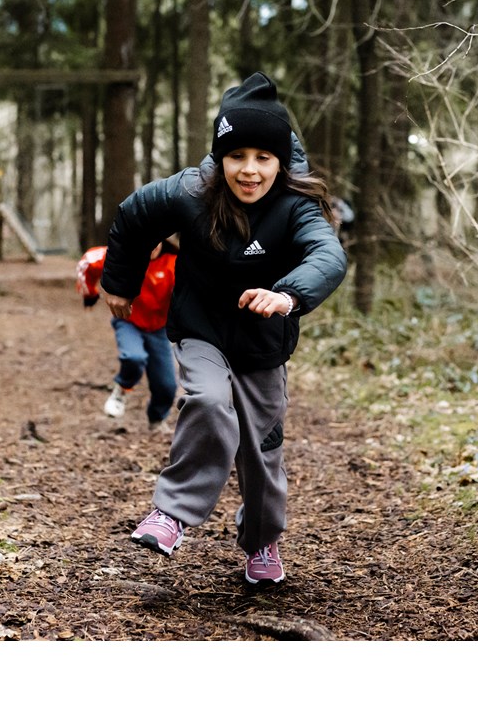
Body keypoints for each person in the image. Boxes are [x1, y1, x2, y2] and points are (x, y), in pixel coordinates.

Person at [100, 71, 347, 584]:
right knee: (209, 401)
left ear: (280, 161)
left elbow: (328, 254)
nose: (250, 171)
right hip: (203, 329)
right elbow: (132, 217)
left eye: (264, 158)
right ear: (220, 156)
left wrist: (288, 294)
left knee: (260, 448)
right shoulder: (190, 191)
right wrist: (120, 282)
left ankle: (261, 542)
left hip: (263, 343)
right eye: (237, 156)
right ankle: (171, 513)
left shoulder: (296, 205)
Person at [76, 240, 177, 428]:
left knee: (167, 387)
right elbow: (88, 262)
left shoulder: (174, 263)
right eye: (148, 239)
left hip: (159, 329)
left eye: (157, 240)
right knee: (134, 358)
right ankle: (121, 390)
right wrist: (89, 294)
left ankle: (157, 419)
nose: (152, 245)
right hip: (128, 321)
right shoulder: (122, 256)